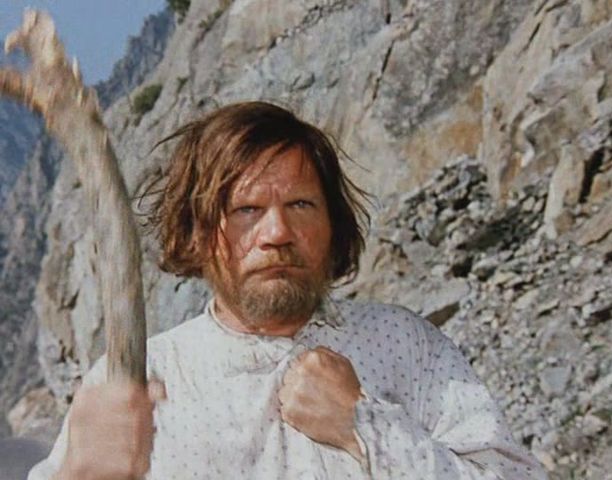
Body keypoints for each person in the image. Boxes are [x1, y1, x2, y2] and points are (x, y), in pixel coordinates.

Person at [29, 101, 547, 479]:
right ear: (197, 233)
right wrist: (80, 474)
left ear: (332, 224)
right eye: (246, 210)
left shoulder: (404, 346)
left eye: (300, 205)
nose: (277, 233)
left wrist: (364, 426)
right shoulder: (144, 380)